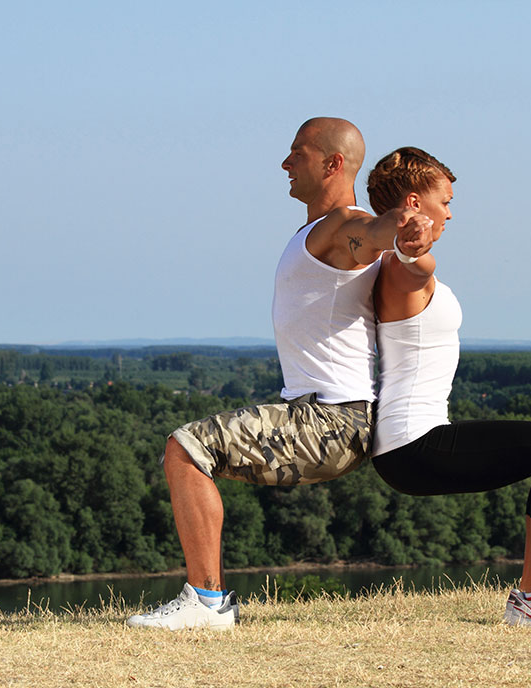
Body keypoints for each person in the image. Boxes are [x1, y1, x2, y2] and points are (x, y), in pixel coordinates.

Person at [126, 119, 434, 631]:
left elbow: (371, 236)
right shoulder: (316, 230)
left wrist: (402, 230)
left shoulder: (343, 226)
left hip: (332, 422)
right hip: (317, 415)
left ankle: (207, 603)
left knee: (186, 448)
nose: (285, 163)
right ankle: (207, 601)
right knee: (187, 452)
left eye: (298, 153)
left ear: (333, 164)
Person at [367, 146, 531, 632]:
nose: (451, 212)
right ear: (414, 204)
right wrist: (417, 249)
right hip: (415, 445)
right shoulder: (399, 268)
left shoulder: (389, 265)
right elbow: (417, 269)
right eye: (445, 200)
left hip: (411, 445)